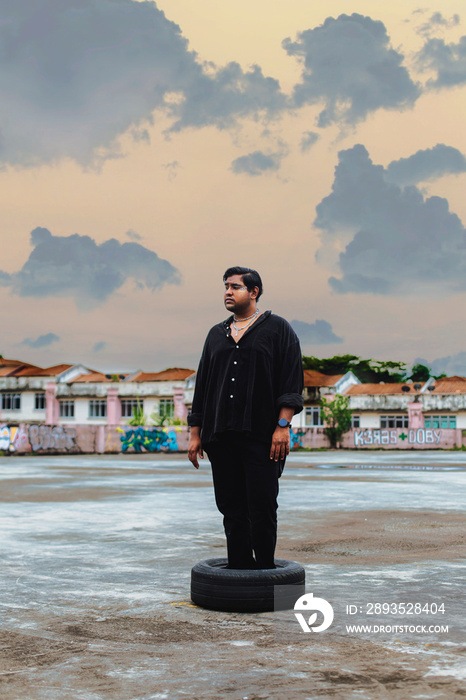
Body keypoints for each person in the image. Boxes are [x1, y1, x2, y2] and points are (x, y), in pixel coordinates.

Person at [188, 266, 303, 569]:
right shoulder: (216, 334)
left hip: (262, 436)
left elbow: (291, 382)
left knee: (262, 505)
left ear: (254, 292)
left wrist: (282, 426)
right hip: (221, 436)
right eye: (226, 286)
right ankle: (238, 570)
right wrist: (195, 433)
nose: (228, 291)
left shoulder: (279, 330)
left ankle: (265, 572)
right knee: (230, 507)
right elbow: (203, 385)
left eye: (235, 287)